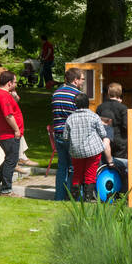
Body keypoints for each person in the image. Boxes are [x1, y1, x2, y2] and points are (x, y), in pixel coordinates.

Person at [62, 91, 112, 201]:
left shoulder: (70, 118)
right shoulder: (94, 116)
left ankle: (74, 199)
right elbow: (103, 133)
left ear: (75, 104)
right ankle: (87, 199)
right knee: (90, 174)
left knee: (77, 174)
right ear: (87, 103)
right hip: (93, 150)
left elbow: (65, 137)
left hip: (76, 151)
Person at [50, 68, 85, 200]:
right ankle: (73, 197)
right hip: (72, 135)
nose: (83, 81)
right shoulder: (77, 95)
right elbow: (81, 117)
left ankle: (59, 196)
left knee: (62, 167)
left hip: (58, 133)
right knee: (74, 167)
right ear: (75, 80)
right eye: (82, 79)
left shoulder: (56, 93)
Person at [0, 71, 23, 196]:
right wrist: (16, 130)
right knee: (11, 161)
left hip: (5, 133)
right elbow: (8, 115)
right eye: (15, 82)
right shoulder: (3, 95)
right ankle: (6, 190)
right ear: (9, 83)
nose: (16, 84)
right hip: (8, 134)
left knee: (10, 159)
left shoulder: (3, 94)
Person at [96, 83, 129, 159]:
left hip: (104, 141)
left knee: (105, 163)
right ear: (120, 93)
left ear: (108, 93)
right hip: (120, 142)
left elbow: (97, 125)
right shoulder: (123, 108)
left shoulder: (100, 107)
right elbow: (126, 125)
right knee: (120, 163)